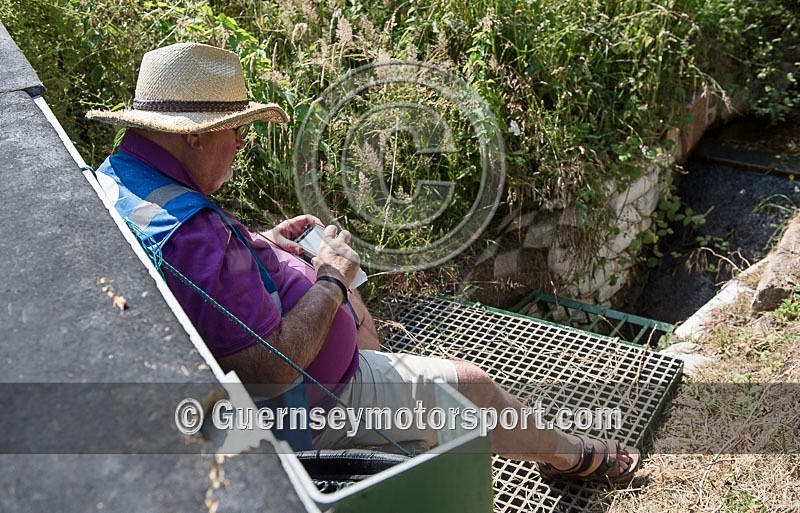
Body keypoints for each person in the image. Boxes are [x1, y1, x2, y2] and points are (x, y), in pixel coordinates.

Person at [87, 42, 639, 482]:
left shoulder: (121, 177)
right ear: (196, 139)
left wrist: (261, 242)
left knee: (354, 304)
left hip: (290, 375)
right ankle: (571, 454)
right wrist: (329, 279)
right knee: (471, 386)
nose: (240, 141)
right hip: (307, 408)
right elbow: (267, 370)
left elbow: (198, 269)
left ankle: (384, 376)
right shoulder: (194, 239)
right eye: (235, 129)